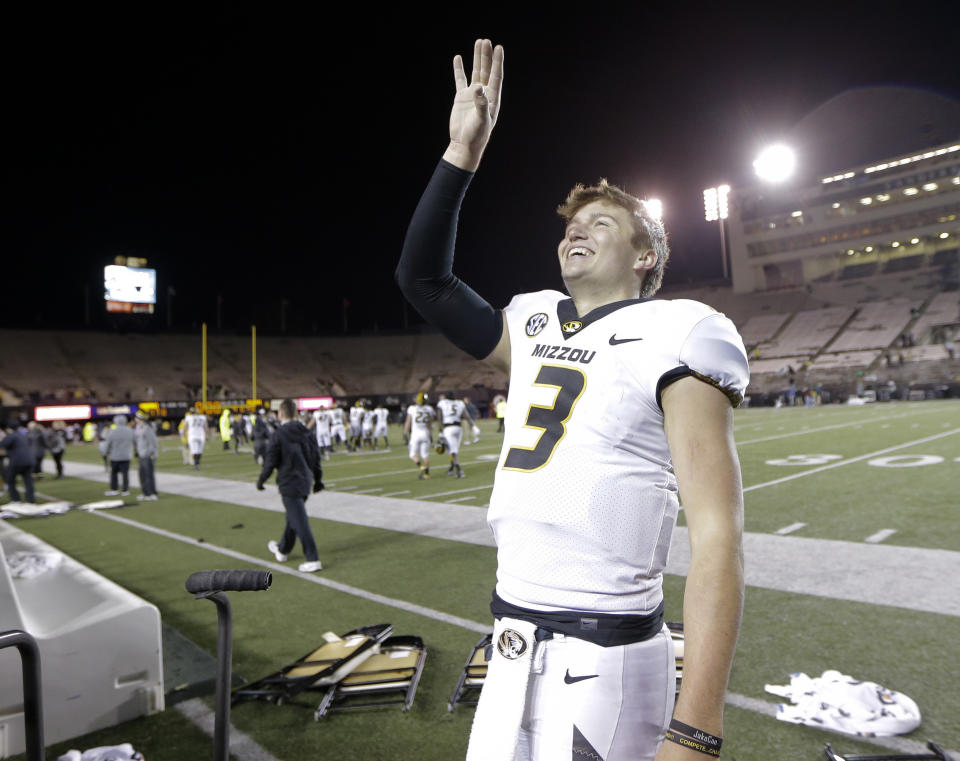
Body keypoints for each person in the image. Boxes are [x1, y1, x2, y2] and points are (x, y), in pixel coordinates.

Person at [396, 40, 748, 761]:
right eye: (570, 224)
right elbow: (422, 279)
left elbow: (718, 533)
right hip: (510, 642)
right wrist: (462, 152)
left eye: (601, 224)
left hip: (607, 655)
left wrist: (697, 726)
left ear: (645, 256)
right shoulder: (530, 320)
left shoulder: (681, 330)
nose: (576, 230)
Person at [256, 398, 324, 573]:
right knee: (293, 516)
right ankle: (283, 549)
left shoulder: (278, 434)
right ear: (296, 413)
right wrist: (318, 480)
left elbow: (271, 461)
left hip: (289, 481)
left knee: (300, 520)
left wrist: (262, 480)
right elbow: (316, 458)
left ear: (280, 414)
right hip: (305, 481)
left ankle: (313, 558)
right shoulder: (306, 431)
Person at [436, 391, 475, 477]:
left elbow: (439, 417)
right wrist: (473, 426)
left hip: (448, 428)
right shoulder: (460, 403)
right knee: (453, 450)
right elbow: (466, 416)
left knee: (453, 450)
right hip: (458, 428)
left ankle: (459, 471)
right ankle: (451, 469)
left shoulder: (442, 403)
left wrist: (440, 430)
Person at [1, 422, 36, 503]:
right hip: (29, 460)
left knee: (10, 480)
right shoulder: (24, 435)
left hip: (17, 461)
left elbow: (3, 445)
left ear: (9, 428)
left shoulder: (11, 436)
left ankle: (16, 499)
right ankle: (31, 500)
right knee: (28, 480)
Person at [403, 392, 435, 479]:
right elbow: (430, 424)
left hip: (415, 434)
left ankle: (420, 466)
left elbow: (408, 422)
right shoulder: (429, 409)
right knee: (425, 454)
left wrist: (405, 433)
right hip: (425, 433)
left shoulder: (412, 409)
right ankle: (427, 474)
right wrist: (431, 436)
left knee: (412, 454)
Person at [103, 415, 136, 496]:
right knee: (125, 474)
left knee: (114, 473)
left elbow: (108, 444)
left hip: (115, 456)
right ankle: (125, 490)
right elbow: (135, 442)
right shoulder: (130, 431)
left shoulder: (112, 431)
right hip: (126, 456)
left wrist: (105, 452)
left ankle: (114, 489)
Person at [134, 410, 159, 501]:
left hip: (147, 455)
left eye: (137, 417)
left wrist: (152, 454)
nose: (135, 419)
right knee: (142, 474)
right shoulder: (138, 427)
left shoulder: (147, 428)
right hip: (141, 454)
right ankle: (145, 493)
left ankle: (152, 493)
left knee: (148, 475)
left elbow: (153, 442)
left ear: (141, 419)